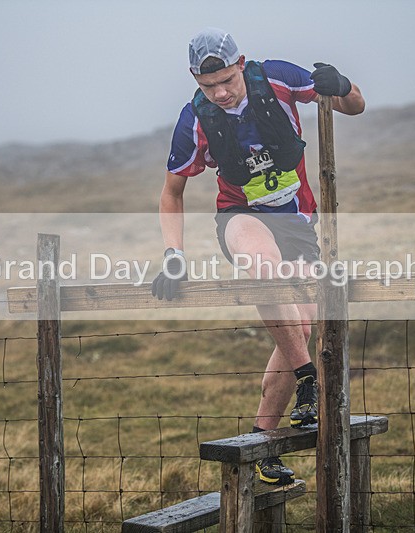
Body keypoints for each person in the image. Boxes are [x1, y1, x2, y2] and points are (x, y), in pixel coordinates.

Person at [152, 27, 365, 485]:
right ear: (195, 78)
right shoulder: (196, 118)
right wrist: (174, 254)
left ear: (241, 63)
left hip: (299, 222)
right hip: (241, 217)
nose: (222, 93)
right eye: (209, 86)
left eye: (227, 80)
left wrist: (341, 85)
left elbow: (355, 105)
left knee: (301, 326)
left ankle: (262, 443)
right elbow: (172, 191)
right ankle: (309, 377)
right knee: (262, 267)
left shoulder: (280, 81)